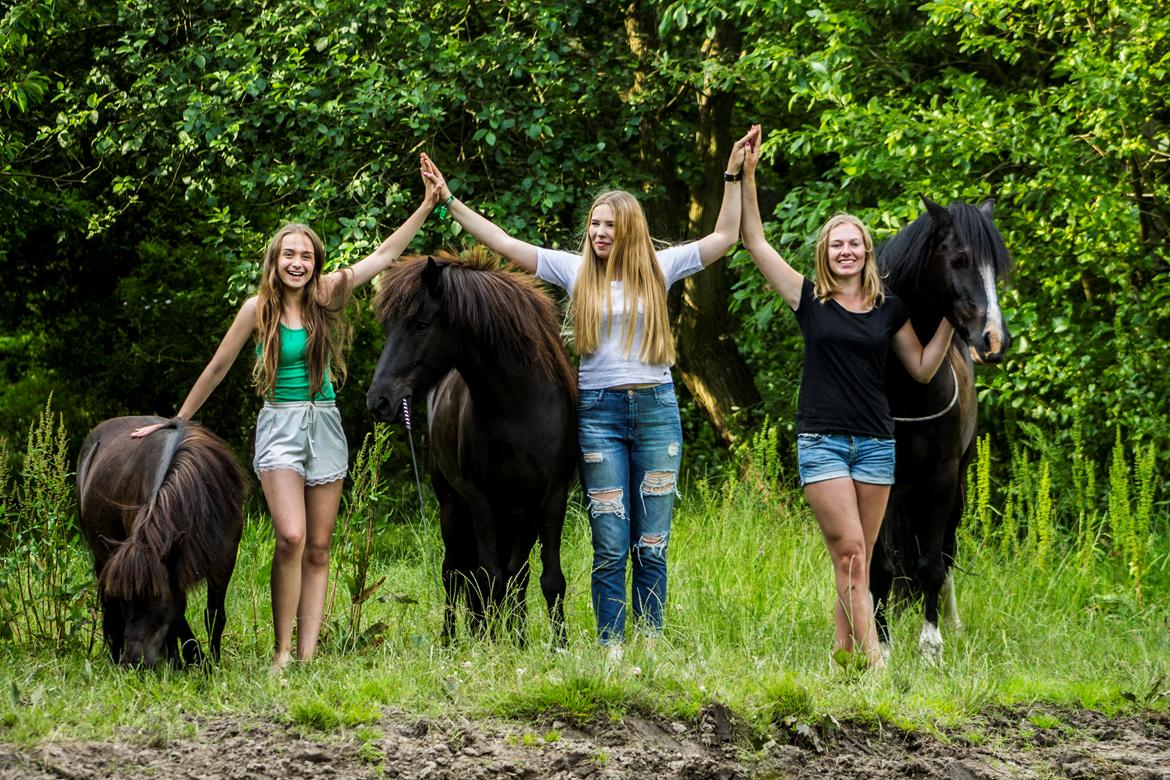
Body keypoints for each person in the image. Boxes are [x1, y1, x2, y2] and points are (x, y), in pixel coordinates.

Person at [418, 135, 750, 650]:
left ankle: (651, 642)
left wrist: (735, 174)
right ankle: (612, 645)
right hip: (599, 415)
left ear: (630, 230)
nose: (598, 233)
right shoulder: (575, 272)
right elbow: (504, 243)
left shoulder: (661, 268)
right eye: (594, 224)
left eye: (608, 225)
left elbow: (726, 235)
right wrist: (449, 200)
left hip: (657, 412)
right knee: (611, 542)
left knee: (651, 543)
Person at [132, 166, 441, 669]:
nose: (297, 263)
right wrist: (177, 420)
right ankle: (280, 654)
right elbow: (217, 366)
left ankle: (307, 656)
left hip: (326, 426)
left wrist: (428, 205)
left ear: (315, 263)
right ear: (274, 262)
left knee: (319, 546)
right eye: (288, 255)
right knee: (291, 537)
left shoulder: (326, 297)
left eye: (305, 256)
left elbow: (384, 256)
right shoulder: (258, 309)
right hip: (280, 426)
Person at [739, 125, 955, 668]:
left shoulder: (890, 310)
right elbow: (755, 243)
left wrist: (953, 314)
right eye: (837, 244)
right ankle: (878, 667)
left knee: (849, 562)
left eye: (854, 243)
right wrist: (746, 175)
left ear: (867, 253)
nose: (846, 251)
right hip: (823, 443)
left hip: (877, 446)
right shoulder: (809, 299)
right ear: (825, 254)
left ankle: (843, 661)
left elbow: (925, 369)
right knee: (856, 555)